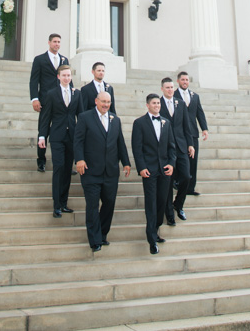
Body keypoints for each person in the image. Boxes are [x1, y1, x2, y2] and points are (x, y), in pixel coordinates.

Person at [74, 91, 130, 252]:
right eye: (103, 101)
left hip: (111, 171)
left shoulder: (115, 119)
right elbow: (78, 141)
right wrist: (79, 159)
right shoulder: (85, 117)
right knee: (92, 206)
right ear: (96, 101)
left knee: (109, 204)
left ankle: (103, 234)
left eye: (108, 102)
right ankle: (95, 239)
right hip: (90, 170)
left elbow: (120, 143)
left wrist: (125, 162)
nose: (106, 104)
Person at [131, 93, 176, 254]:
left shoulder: (167, 123)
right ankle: (151, 239)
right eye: (154, 103)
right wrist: (141, 167)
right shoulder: (139, 123)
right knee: (151, 203)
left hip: (164, 170)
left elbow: (172, 147)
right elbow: (137, 148)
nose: (157, 105)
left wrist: (171, 164)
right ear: (147, 105)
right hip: (149, 170)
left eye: (158, 103)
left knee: (162, 202)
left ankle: (156, 230)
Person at [38, 65, 82, 217]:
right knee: (58, 167)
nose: (67, 78)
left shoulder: (77, 94)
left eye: (69, 75)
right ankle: (56, 205)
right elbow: (45, 117)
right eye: (64, 75)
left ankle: (64, 203)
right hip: (57, 137)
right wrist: (42, 136)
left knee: (67, 170)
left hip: (72, 138)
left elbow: (81, 117)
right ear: (58, 77)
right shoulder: (51, 94)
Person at [30, 33, 70, 172]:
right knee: (43, 130)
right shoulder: (39, 59)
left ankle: (67, 162)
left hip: (61, 101)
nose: (57, 44)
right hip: (46, 100)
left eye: (59, 42)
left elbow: (67, 79)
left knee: (65, 131)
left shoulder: (64, 60)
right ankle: (41, 160)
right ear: (49, 42)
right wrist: (34, 98)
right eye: (54, 42)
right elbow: (34, 80)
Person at [159, 77, 194, 224]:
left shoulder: (180, 104)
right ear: (162, 89)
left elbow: (187, 126)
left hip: (181, 147)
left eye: (172, 87)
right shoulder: (157, 103)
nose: (170, 90)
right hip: (166, 149)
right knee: (168, 181)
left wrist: (190, 144)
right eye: (167, 87)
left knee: (186, 176)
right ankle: (169, 214)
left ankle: (178, 204)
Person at [176, 71, 209, 196]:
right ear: (178, 81)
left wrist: (204, 129)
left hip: (193, 133)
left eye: (187, 80)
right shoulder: (173, 95)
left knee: (193, 161)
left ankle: (190, 188)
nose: (185, 82)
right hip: (179, 134)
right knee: (180, 159)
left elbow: (200, 113)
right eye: (183, 80)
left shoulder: (195, 96)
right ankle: (178, 183)